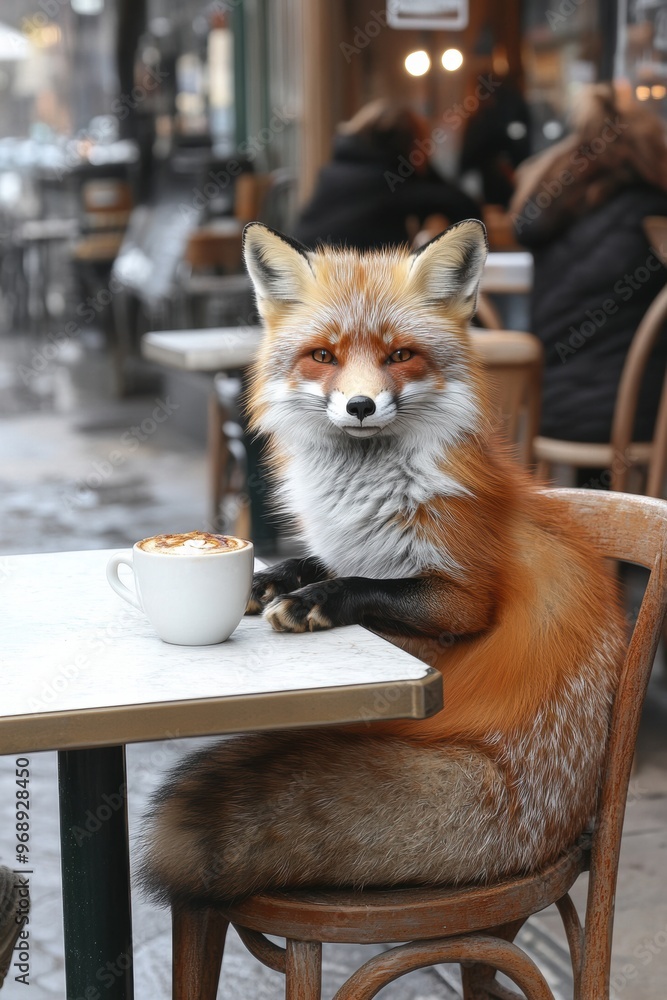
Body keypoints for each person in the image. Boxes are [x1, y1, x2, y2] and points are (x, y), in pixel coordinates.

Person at [511, 84, 667, 448]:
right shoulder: (655, 212)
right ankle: (641, 503)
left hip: (545, 407)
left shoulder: (559, 211)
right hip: (636, 418)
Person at [292, 100, 482, 251]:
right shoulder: (389, 183)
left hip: (303, 282)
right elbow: (467, 211)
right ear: (410, 145)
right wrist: (421, 165)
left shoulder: (333, 174)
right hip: (338, 292)